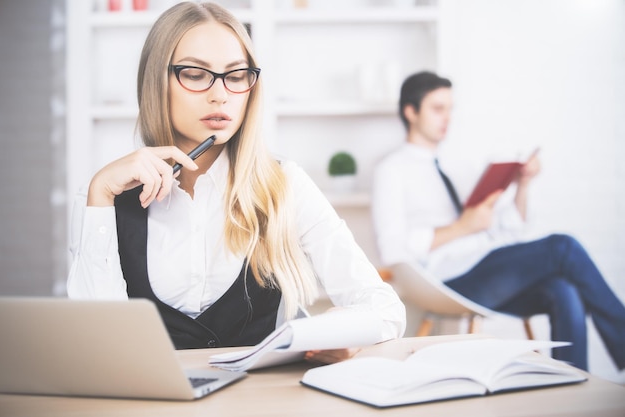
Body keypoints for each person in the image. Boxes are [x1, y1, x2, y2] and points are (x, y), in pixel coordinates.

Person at [67, 2, 405, 363]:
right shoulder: (104, 198)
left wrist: (344, 330)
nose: (220, 94)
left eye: (236, 74)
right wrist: (100, 192)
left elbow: (384, 309)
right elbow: (98, 348)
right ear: (156, 83)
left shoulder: (283, 183)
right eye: (195, 74)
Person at [371, 71, 625, 372]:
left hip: (485, 266)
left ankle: (574, 384)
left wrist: (523, 185)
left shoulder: (458, 164)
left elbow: (509, 228)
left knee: (563, 288)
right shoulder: (391, 170)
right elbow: (392, 248)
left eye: (451, 109)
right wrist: (462, 227)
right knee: (563, 247)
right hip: (447, 279)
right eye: (438, 109)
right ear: (410, 112)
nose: (447, 118)